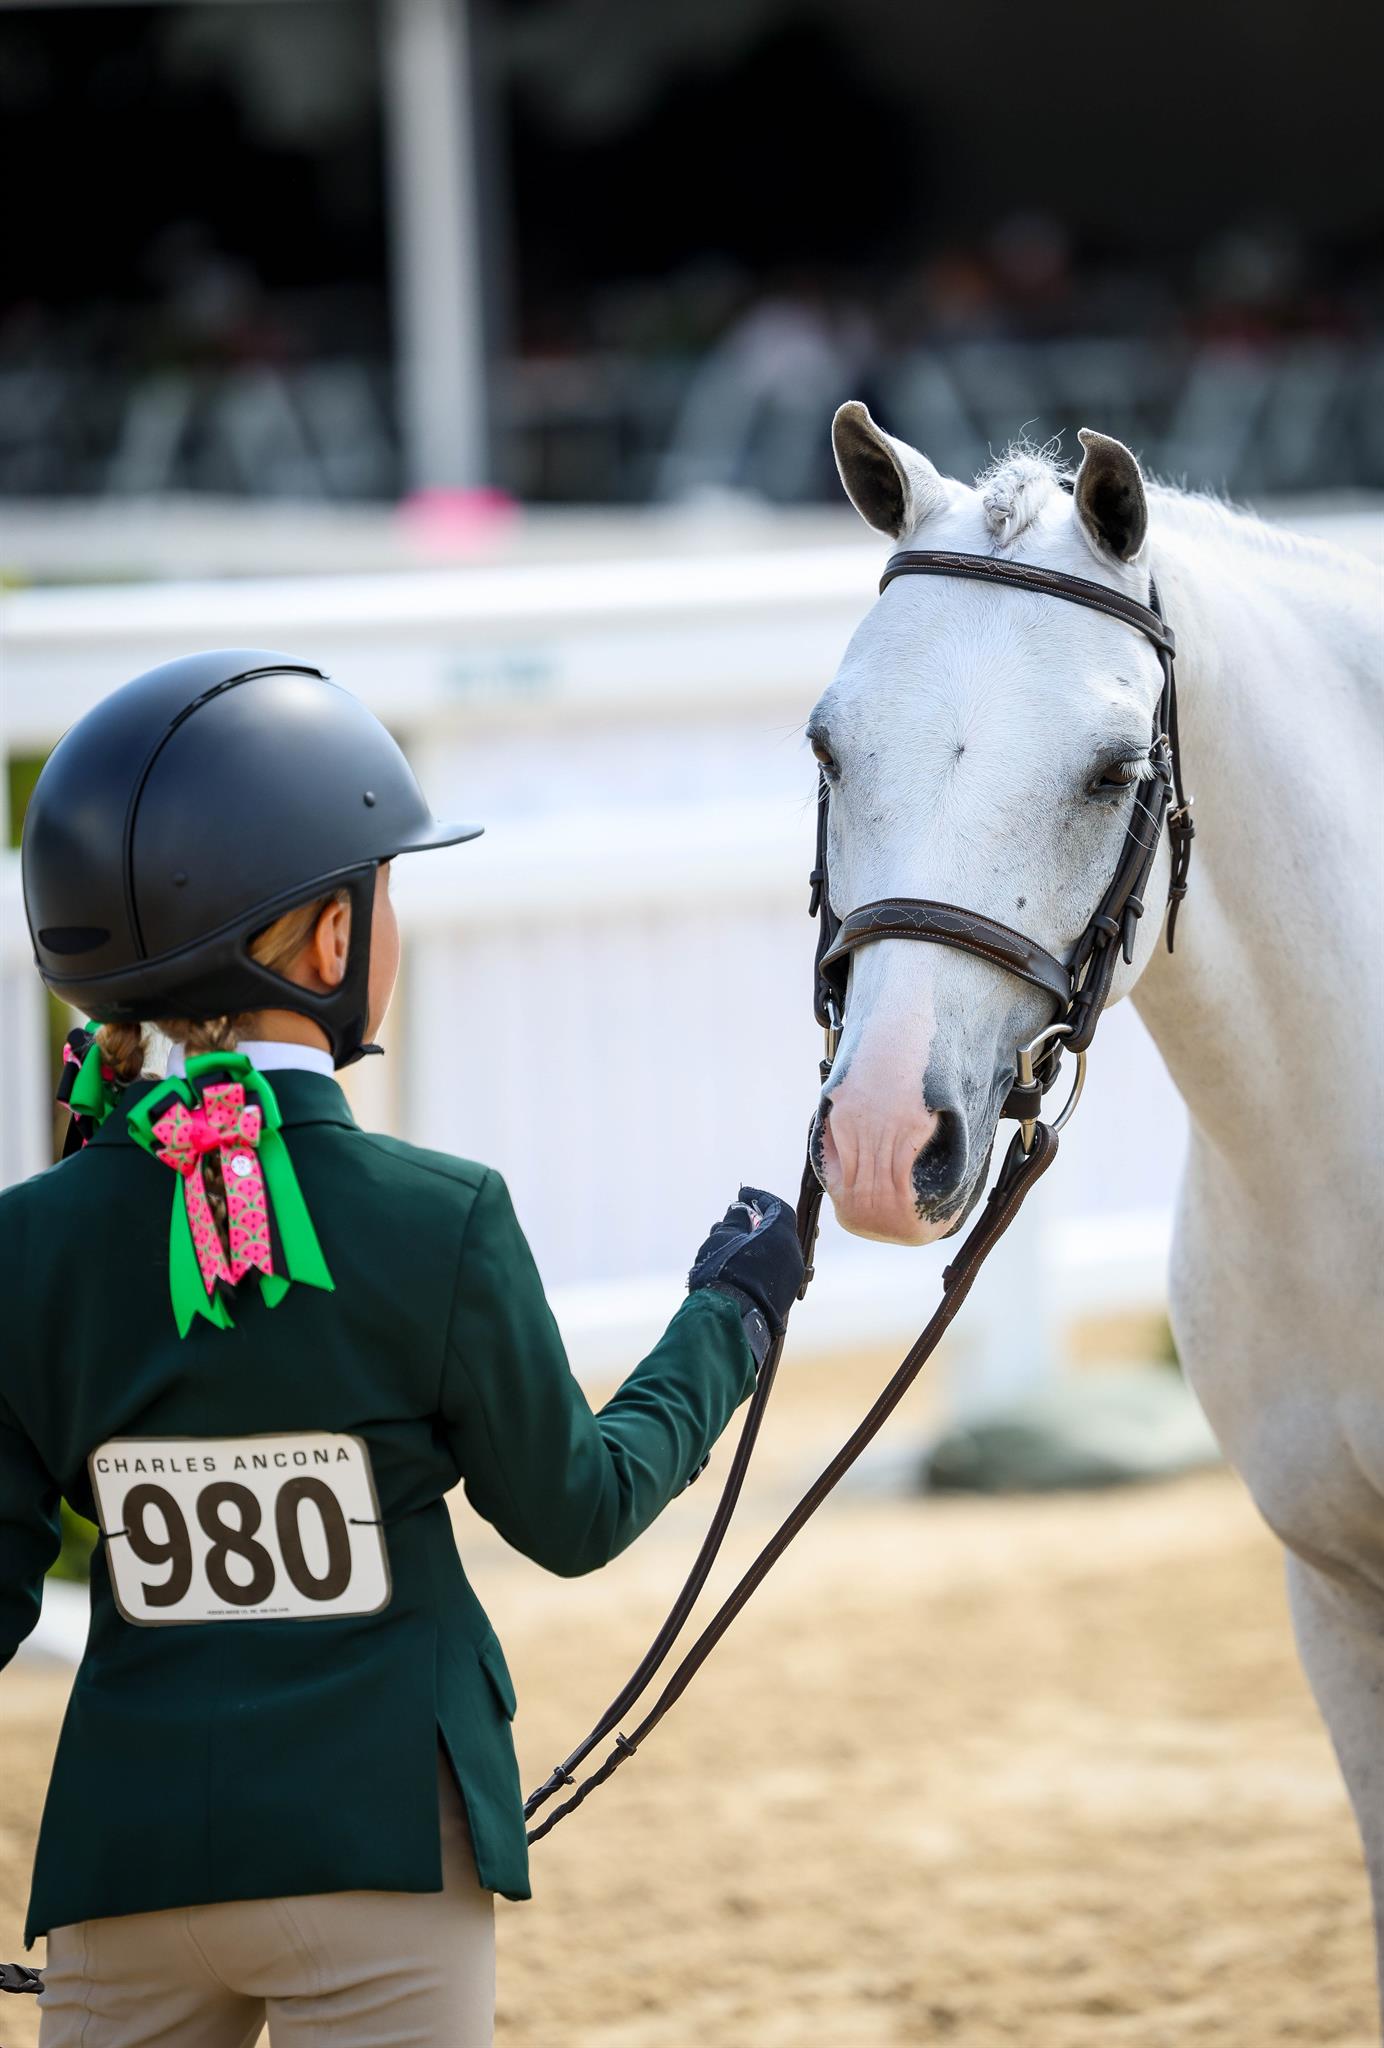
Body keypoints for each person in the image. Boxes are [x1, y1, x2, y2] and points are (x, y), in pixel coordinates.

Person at [0, 649, 805, 2047]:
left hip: (123, 1867)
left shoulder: (30, 1243)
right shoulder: (443, 1221)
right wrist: (726, 1321)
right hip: (381, 1842)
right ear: (325, 944)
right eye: (386, 899)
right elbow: (577, 1509)